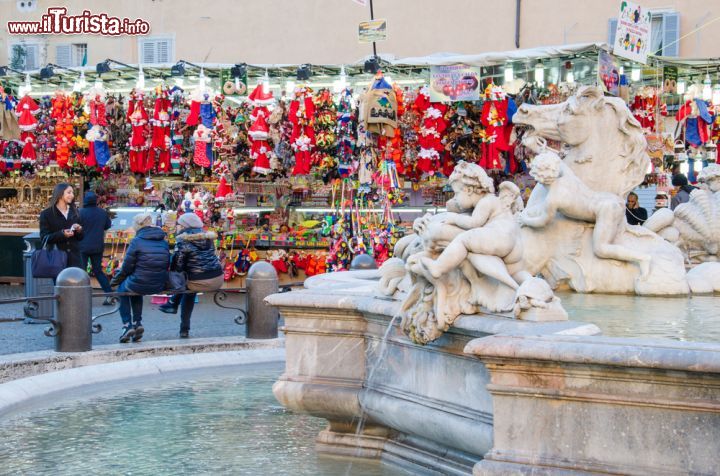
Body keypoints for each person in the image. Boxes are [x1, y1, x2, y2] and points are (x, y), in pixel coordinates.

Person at [519, 150, 651, 278]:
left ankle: (642, 258)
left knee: (601, 248)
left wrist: (525, 219)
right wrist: (544, 151)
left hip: (604, 210)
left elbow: (542, 221)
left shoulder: (553, 199)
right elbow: (560, 162)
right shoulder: (567, 177)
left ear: (538, 177)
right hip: (609, 199)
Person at [159, 213, 223, 338]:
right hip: (217, 278)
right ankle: (173, 304)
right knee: (189, 284)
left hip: (200, 281)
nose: (178, 226)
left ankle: (182, 325)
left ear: (184, 226)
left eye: (179, 224)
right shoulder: (208, 238)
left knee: (187, 286)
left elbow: (177, 267)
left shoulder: (183, 240)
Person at [110, 213, 169, 343]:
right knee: (136, 289)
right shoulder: (163, 241)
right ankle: (137, 323)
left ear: (138, 226)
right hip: (158, 283)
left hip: (141, 282)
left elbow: (126, 268)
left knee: (123, 290)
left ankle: (127, 325)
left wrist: (114, 281)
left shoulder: (137, 241)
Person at [79, 191, 113, 304]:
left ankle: (82, 296)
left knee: (81, 272)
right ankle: (109, 294)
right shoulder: (102, 213)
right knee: (98, 271)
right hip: (98, 246)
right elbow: (107, 226)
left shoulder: (80, 212)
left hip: (82, 246)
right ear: (96, 201)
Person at [39, 183, 84, 271]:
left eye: (72, 193)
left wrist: (79, 230)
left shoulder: (75, 212)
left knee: (76, 284)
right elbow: (44, 237)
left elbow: (81, 237)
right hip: (57, 259)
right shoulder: (47, 214)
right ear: (60, 194)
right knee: (60, 284)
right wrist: (62, 234)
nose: (72, 195)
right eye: (69, 192)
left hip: (75, 260)